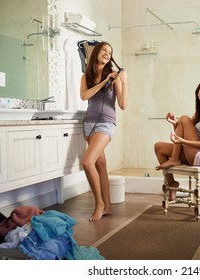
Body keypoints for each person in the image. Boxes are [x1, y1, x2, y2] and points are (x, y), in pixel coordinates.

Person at [80, 41, 128, 221]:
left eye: (110, 52)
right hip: (89, 124)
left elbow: (123, 104)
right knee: (100, 165)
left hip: (106, 124)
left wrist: (124, 81)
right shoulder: (87, 76)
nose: (107, 54)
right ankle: (107, 206)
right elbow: (84, 96)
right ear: (97, 52)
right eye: (104, 50)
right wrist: (103, 83)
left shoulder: (114, 76)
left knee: (87, 162)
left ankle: (99, 203)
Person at [154, 80, 200, 200]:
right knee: (158, 147)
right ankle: (172, 184)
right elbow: (182, 128)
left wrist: (184, 142)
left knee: (184, 118)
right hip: (194, 153)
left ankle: (175, 159)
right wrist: (174, 123)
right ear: (197, 93)